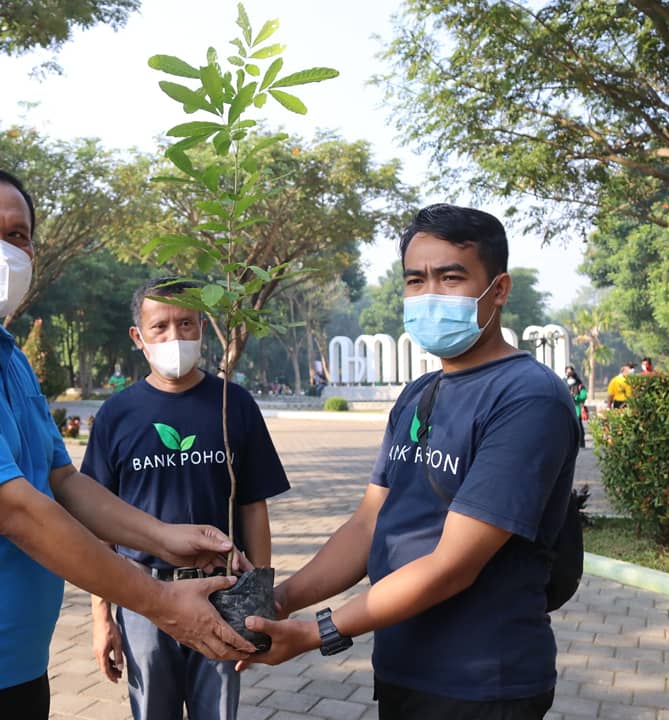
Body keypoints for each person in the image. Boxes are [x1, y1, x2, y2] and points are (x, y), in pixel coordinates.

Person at [0, 164, 254, 719]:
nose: (0, 250)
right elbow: (14, 510)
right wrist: (161, 603)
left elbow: (60, 480)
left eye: (16, 235)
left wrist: (165, 539)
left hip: (15, 664)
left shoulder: (4, 354)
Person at [237, 204, 577, 720]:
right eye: (416, 280)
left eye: (451, 277)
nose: (430, 294)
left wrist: (316, 633)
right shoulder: (420, 393)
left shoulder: (528, 398)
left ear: (499, 290)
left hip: (482, 680)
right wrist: (279, 600)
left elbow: (452, 565)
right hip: (403, 665)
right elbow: (367, 525)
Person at [86, 278, 290, 720]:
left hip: (222, 593)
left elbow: (253, 507)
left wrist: (258, 596)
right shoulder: (116, 416)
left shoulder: (233, 404)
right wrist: (102, 617)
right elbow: (99, 521)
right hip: (143, 595)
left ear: (202, 326)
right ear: (138, 336)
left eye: (186, 323)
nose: (174, 336)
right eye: (159, 327)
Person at [564, 365, 588, 449]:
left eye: (571, 375)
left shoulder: (579, 385)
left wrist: (575, 396)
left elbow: (583, 396)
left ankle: (581, 443)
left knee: (579, 427)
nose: (570, 378)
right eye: (568, 374)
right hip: (567, 410)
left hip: (577, 409)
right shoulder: (563, 384)